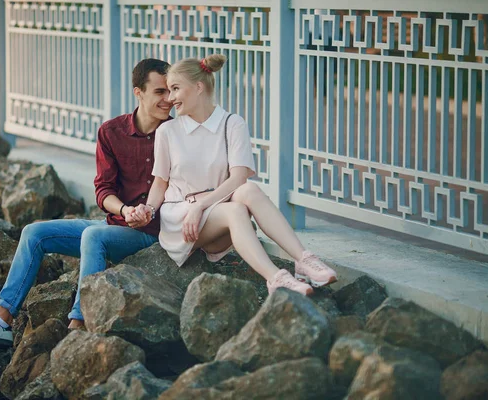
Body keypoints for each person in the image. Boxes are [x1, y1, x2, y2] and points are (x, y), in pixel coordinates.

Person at [0, 59, 173, 349]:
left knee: (95, 235)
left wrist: (145, 212)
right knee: (34, 232)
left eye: (170, 91)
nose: (168, 99)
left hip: (154, 230)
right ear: (138, 92)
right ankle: (1, 320)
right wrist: (124, 210)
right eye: (160, 92)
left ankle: (77, 327)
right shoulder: (111, 132)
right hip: (117, 223)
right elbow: (103, 190)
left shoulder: (176, 134)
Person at [132, 54, 337, 296]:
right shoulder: (168, 131)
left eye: (175, 88)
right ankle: (275, 278)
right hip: (181, 218)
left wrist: (202, 205)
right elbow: (160, 182)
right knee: (236, 210)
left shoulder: (232, 123)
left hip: (215, 211)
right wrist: (149, 209)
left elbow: (239, 178)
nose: (170, 98)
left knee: (249, 190)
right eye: (167, 91)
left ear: (198, 87)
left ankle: (303, 259)